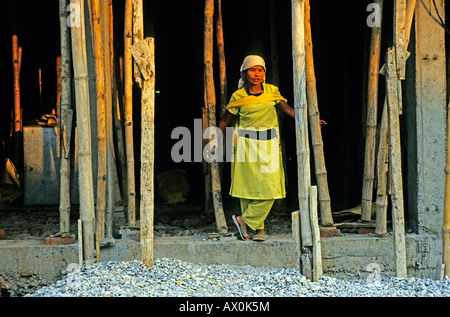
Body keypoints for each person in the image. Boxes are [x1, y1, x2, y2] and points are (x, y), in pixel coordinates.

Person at [218, 55, 301, 241]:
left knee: (271, 188)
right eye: (252, 70)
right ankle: (259, 230)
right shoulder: (238, 96)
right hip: (246, 145)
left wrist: (310, 120)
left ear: (264, 73)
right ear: (244, 73)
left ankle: (243, 220)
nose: (257, 74)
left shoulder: (272, 91)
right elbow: (225, 120)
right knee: (247, 189)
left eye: (260, 70)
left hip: (269, 145)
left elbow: (289, 111)